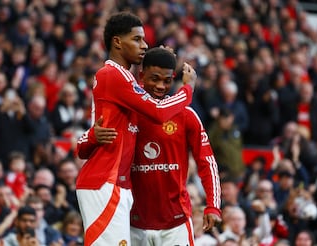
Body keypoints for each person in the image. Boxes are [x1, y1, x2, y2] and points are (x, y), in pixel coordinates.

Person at [75, 12, 196, 245]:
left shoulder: (124, 79)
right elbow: (158, 111)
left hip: (115, 183)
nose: (144, 44)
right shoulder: (112, 75)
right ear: (117, 42)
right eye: (137, 39)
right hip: (105, 182)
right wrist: (187, 89)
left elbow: (83, 146)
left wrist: (160, 60)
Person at [91, 47, 221, 245]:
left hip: (175, 224)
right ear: (141, 76)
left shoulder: (186, 115)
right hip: (133, 224)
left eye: (167, 81)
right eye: (154, 79)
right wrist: (93, 136)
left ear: (173, 78)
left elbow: (207, 162)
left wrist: (213, 206)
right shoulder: (127, 112)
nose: (160, 86)